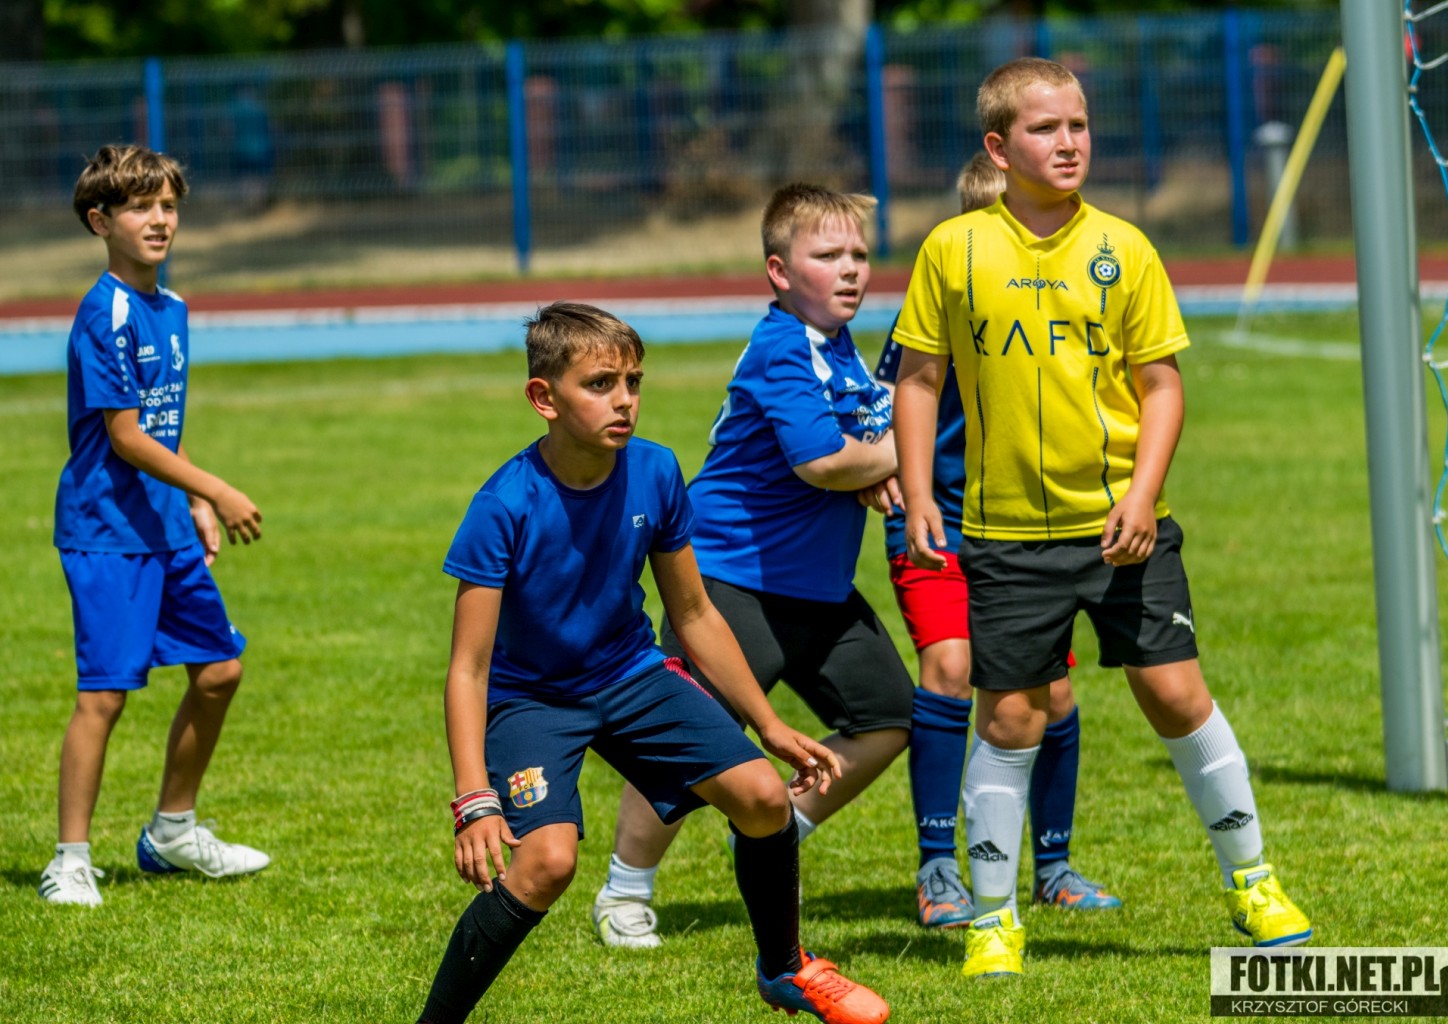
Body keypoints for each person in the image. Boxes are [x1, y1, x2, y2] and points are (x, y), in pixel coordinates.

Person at [890, 58, 1312, 979]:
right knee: (1010, 718)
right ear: (1000, 148)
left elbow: (1162, 386)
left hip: (1125, 529)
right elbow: (918, 380)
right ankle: (995, 921)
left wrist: (1141, 495)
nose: (1068, 142)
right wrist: (919, 494)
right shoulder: (953, 251)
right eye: (1045, 128)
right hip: (1005, 536)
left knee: (1176, 696)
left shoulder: (1126, 247)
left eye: (1078, 125)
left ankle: (1254, 882)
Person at [416, 302, 888, 1024]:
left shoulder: (657, 471)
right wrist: (473, 798)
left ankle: (785, 968)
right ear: (544, 398)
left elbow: (695, 615)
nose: (624, 400)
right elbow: (468, 669)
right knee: (546, 863)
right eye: (599, 384)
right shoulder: (503, 504)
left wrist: (768, 725)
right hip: (533, 700)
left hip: (631, 674)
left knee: (764, 798)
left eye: (633, 382)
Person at [590, 185, 913, 950]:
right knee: (686, 741)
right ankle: (624, 891)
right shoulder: (783, 346)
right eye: (827, 255)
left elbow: (861, 436)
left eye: (859, 254)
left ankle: (777, 830)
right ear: (779, 271)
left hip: (818, 588)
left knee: (891, 716)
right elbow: (821, 461)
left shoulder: (838, 346)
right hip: (729, 580)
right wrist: (903, 454)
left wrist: (875, 463)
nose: (850, 269)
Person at [874, 151, 1119, 931]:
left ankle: (1054, 865)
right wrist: (890, 479)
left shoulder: (1062, 295)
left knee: (1054, 695)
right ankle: (937, 866)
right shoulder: (939, 296)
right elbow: (887, 402)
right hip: (938, 522)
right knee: (949, 668)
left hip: (1022, 530)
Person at [41, 144, 269, 908]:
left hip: (164, 525)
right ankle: (70, 860)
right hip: (107, 531)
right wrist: (219, 490)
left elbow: (163, 429)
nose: (159, 219)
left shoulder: (172, 308)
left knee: (220, 670)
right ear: (99, 221)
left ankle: (172, 831)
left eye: (168, 205)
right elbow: (125, 437)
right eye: (140, 206)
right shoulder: (105, 311)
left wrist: (192, 502)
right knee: (104, 696)